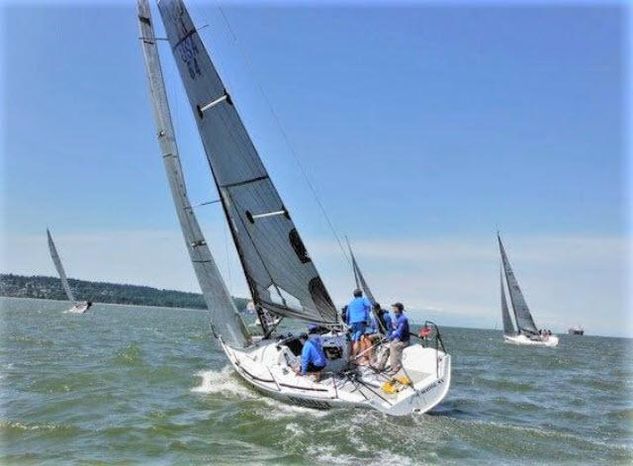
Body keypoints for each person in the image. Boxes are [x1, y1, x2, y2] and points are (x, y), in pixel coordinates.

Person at [346, 289, 371, 360]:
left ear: (354, 295)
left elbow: (347, 314)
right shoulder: (363, 300)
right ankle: (356, 357)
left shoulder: (351, 303)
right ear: (361, 294)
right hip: (361, 321)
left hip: (353, 322)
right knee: (358, 339)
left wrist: (347, 323)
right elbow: (370, 306)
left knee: (354, 338)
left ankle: (352, 356)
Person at [386, 302, 410, 373]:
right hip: (398, 339)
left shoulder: (403, 319)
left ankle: (395, 367)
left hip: (404, 341)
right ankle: (390, 365)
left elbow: (399, 331)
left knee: (394, 347)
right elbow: (394, 328)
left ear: (398, 309)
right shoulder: (396, 317)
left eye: (394, 308)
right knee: (388, 346)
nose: (393, 309)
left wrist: (391, 337)